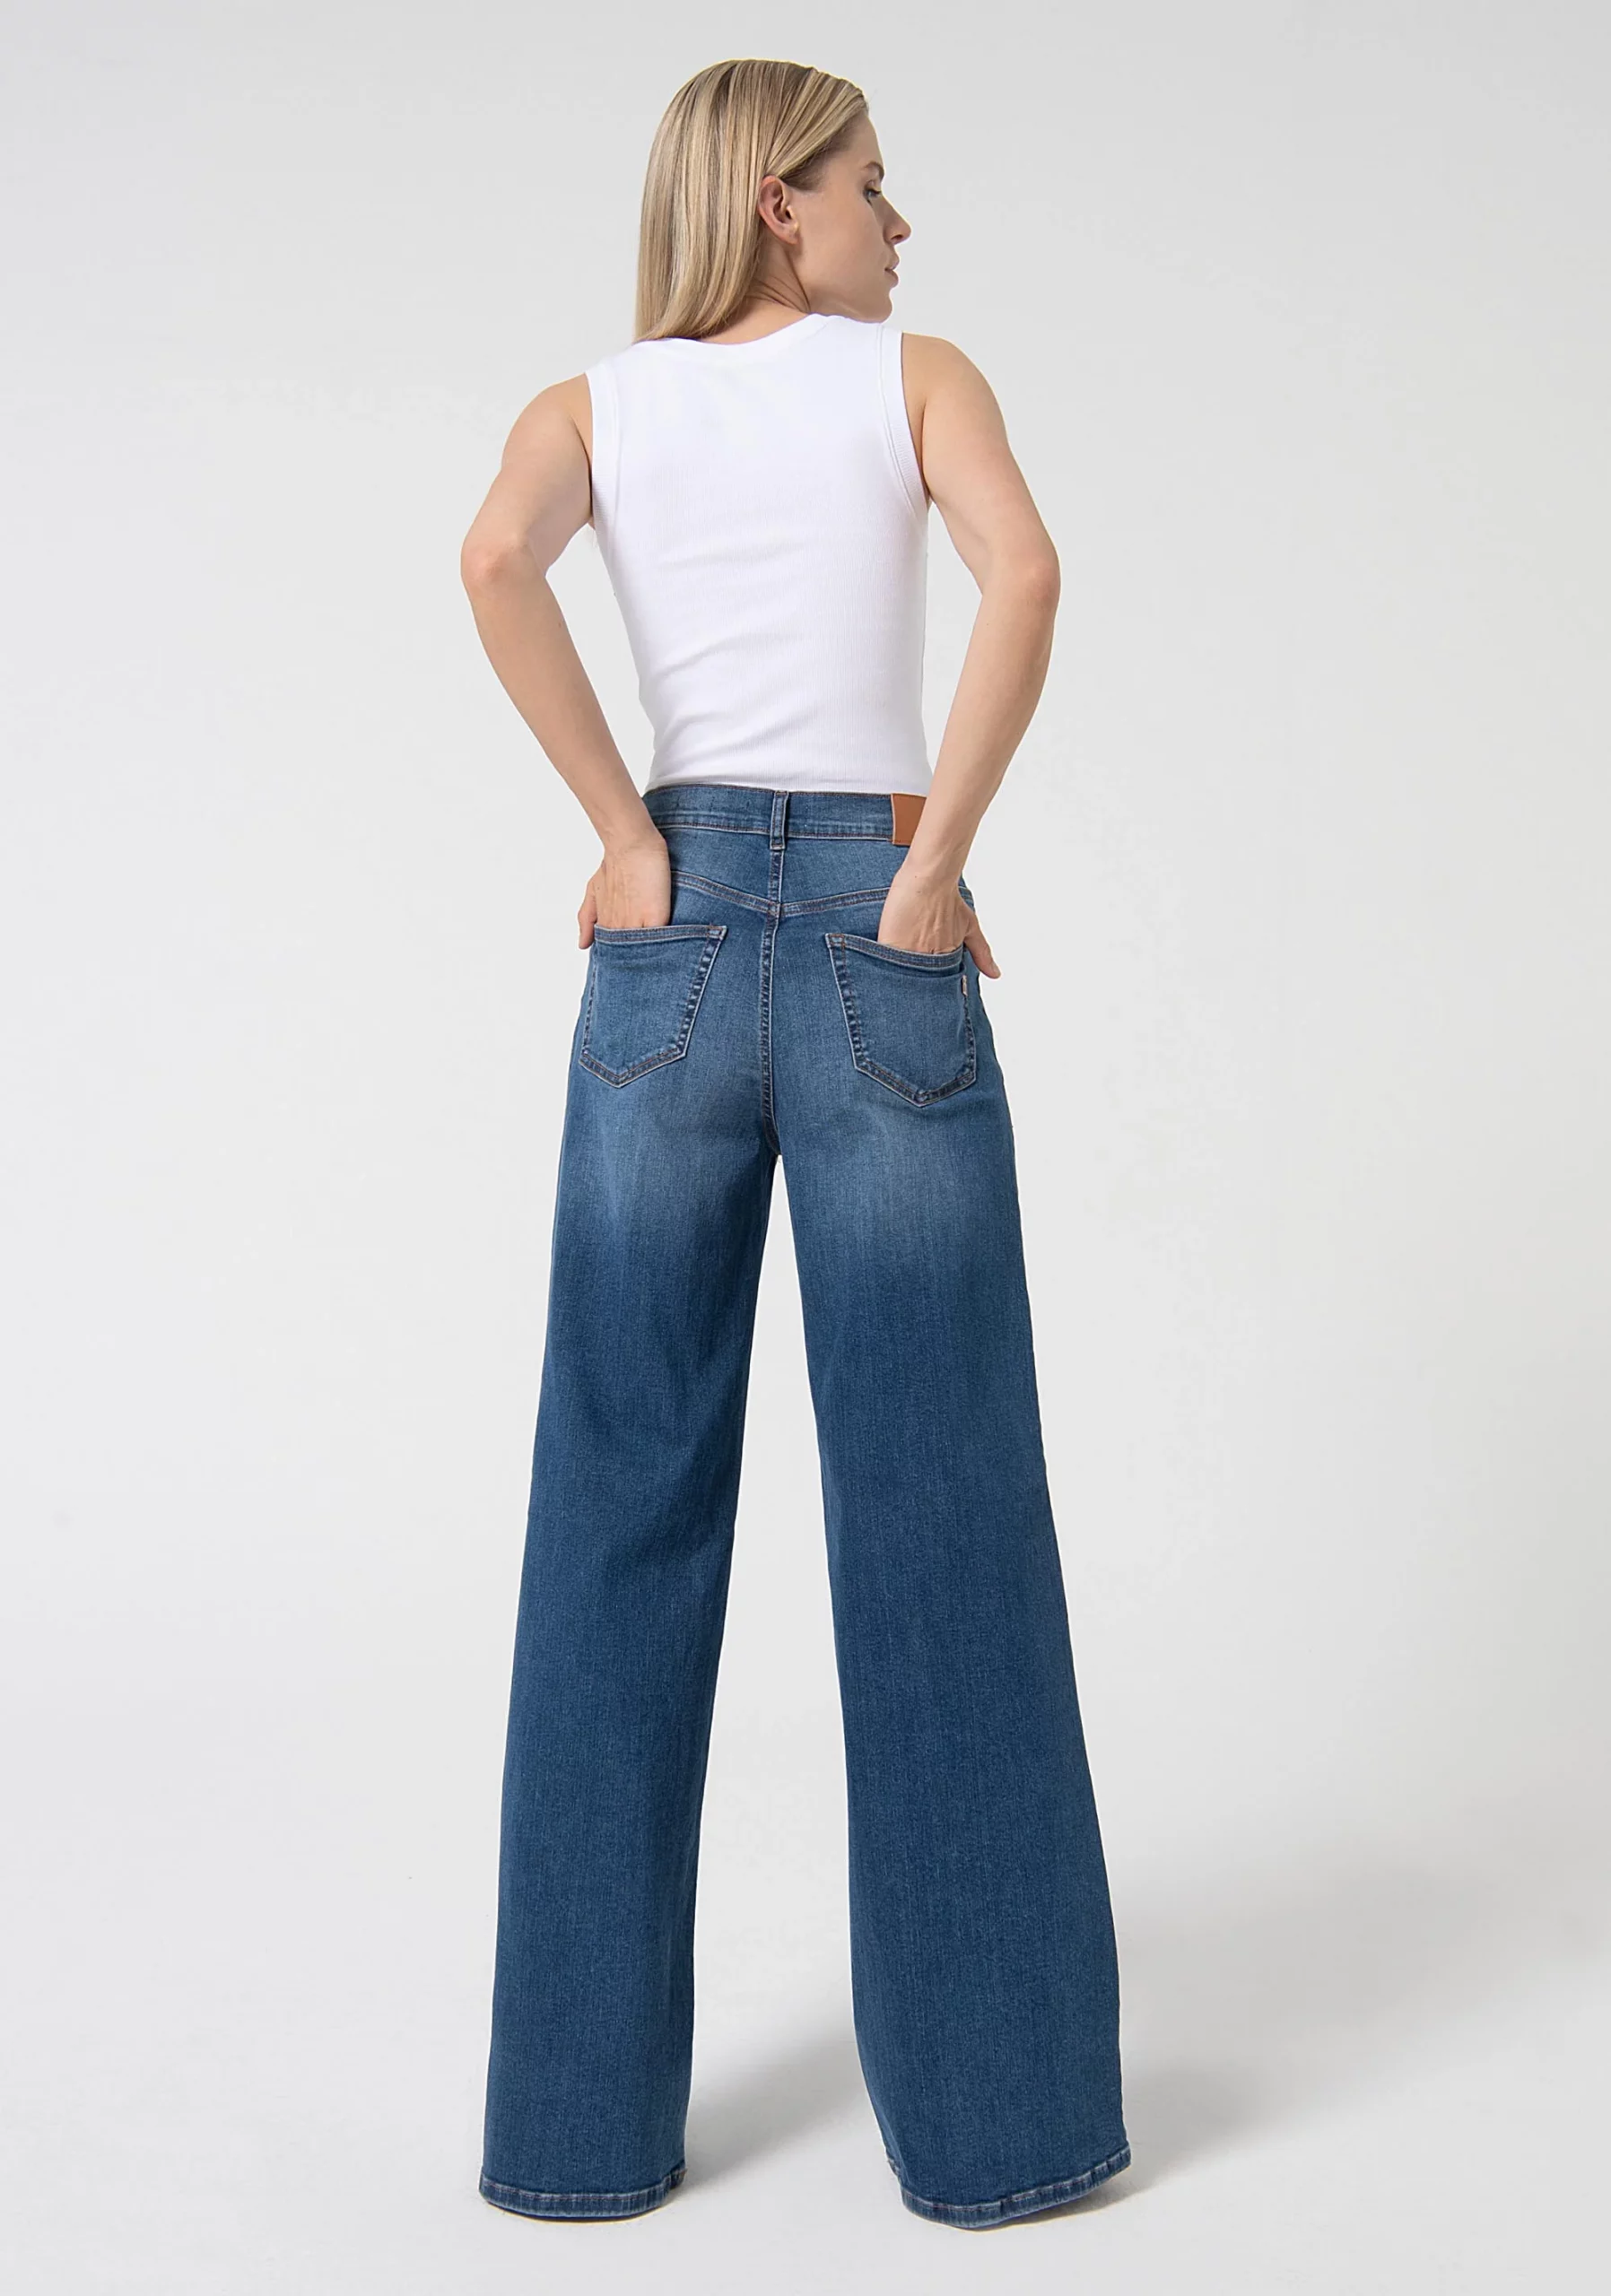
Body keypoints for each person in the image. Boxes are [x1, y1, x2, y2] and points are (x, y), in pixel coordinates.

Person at [458, 56, 1129, 2231]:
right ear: (777, 202)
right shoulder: (912, 379)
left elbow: (491, 560)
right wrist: (928, 866)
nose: (896, 224)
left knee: (614, 1509)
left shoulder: (592, 407)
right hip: (872, 937)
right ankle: (1002, 2130)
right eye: (869, 186)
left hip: (661, 955)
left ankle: (575, 2138)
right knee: (943, 1514)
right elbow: (1026, 577)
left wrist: (619, 832)